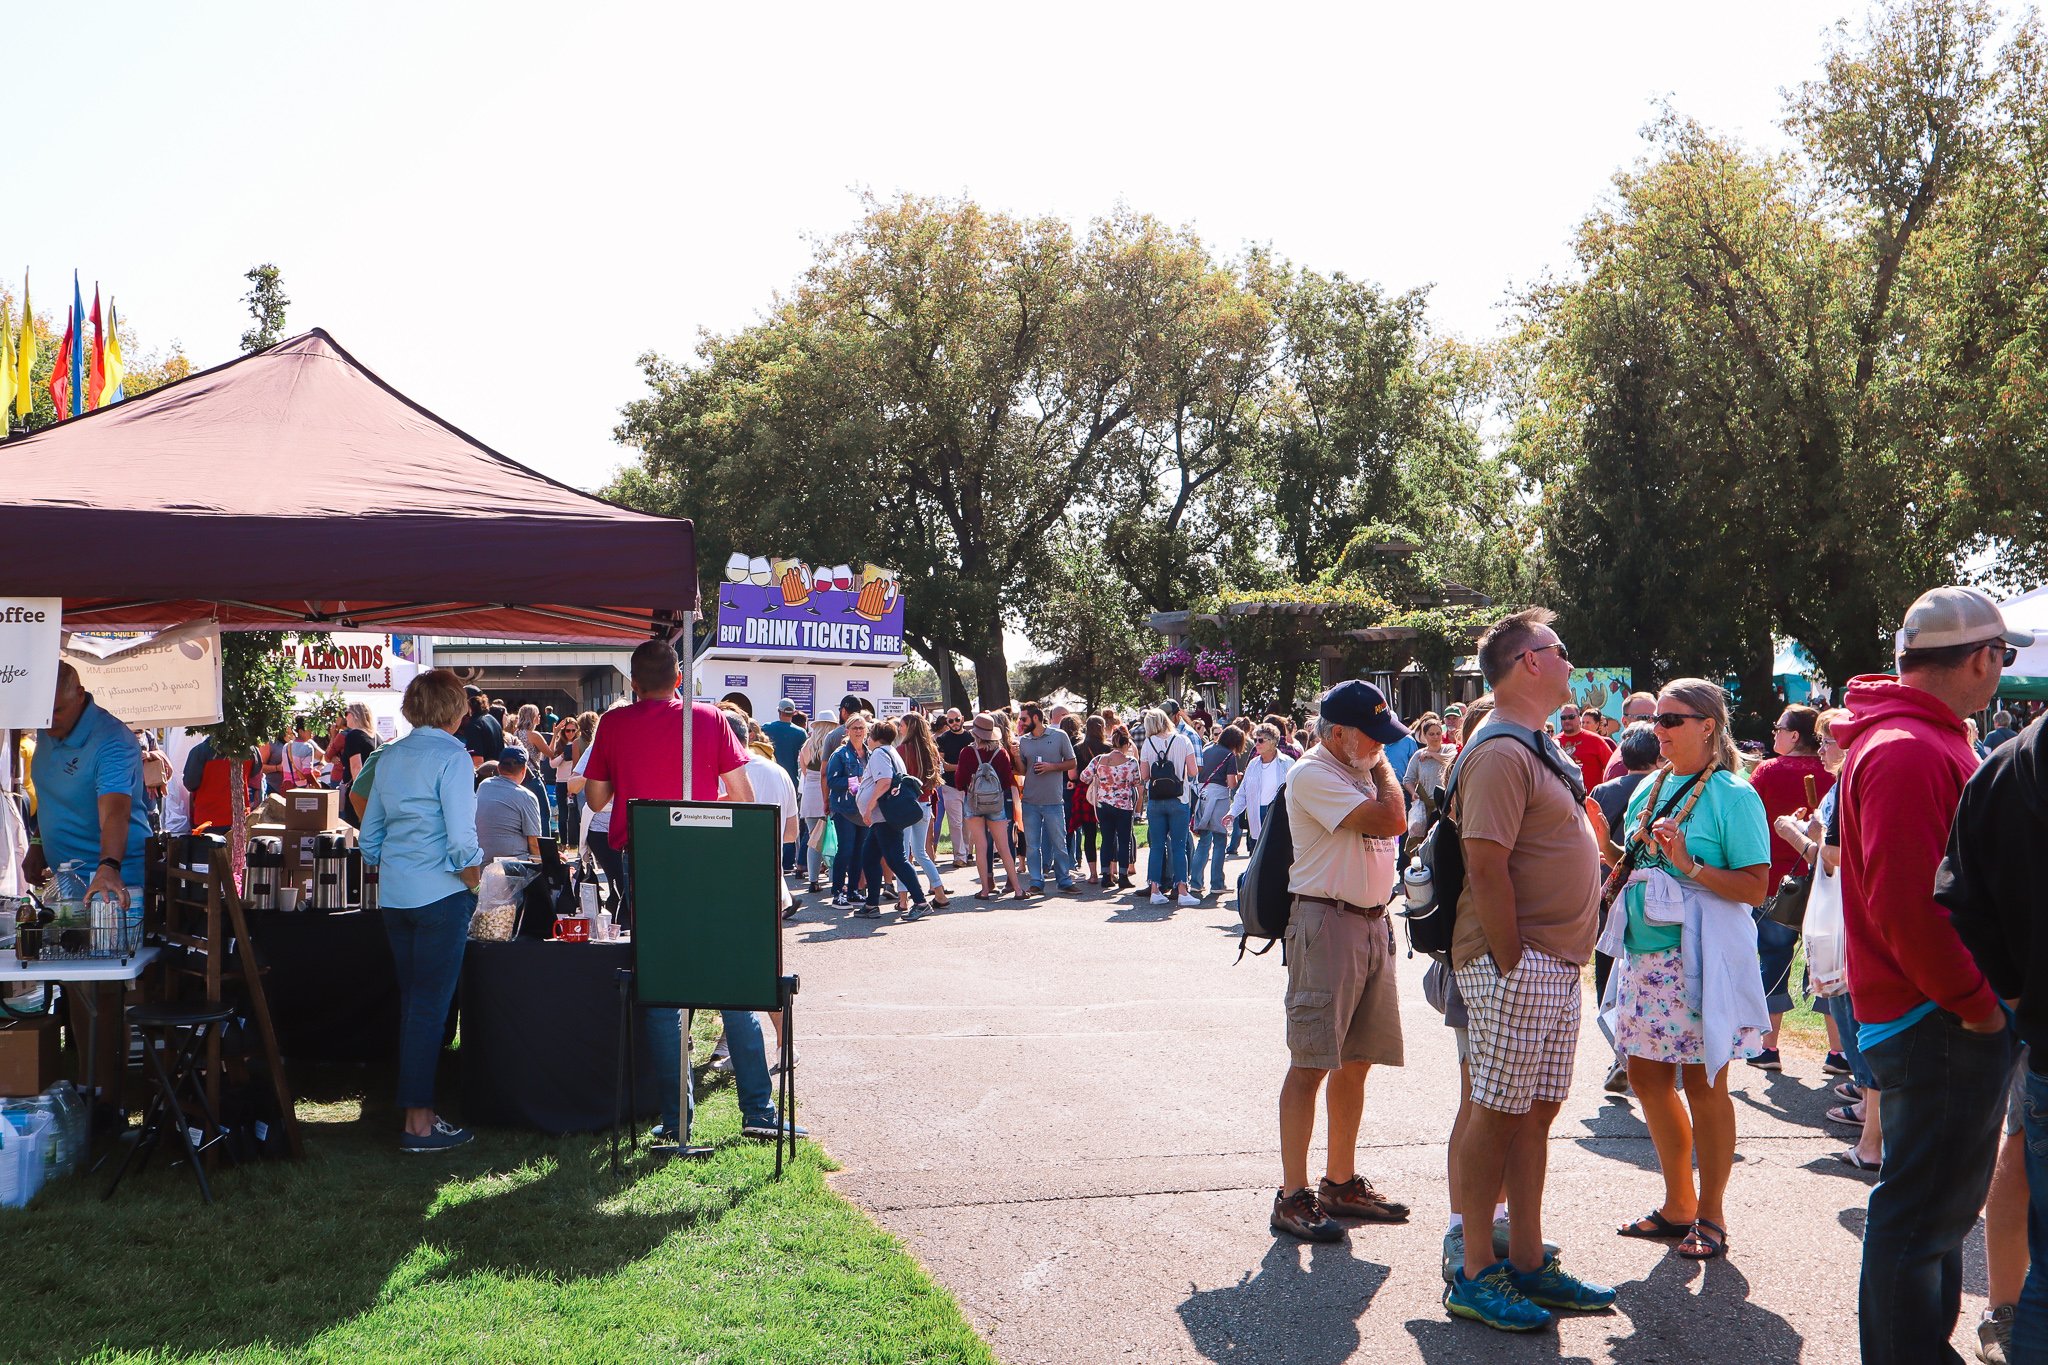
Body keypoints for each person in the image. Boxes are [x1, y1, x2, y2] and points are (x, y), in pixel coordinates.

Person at [1838, 585, 2025, 1365]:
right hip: (1934, 1017)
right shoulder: (1911, 748)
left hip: (1928, 1013)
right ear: (1981, 658)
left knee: (1934, 1215)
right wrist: (1979, 1007)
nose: (2002, 673)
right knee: (1920, 1218)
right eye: (2003, 657)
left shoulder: (1906, 738)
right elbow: (1908, 909)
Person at [1444, 609, 1615, 1331]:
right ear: (1527, 663)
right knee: (1498, 1109)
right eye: (1561, 650)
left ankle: (1527, 1258)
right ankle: (1475, 1268)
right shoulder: (1499, 751)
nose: (1572, 662)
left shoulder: (1535, 744)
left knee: (1536, 1112)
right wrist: (1513, 960)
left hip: (1553, 962)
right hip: (1518, 961)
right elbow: (1485, 861)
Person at [578, 641, 788, 1145]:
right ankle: (758, 1111)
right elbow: (743, 797)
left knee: (662, 987)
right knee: (732, 980)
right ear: (679, 679)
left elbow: (596, 797)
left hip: (647, 860)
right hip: (710, 859)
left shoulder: (614, 723)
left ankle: (675, 1122)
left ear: (633, 682)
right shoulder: (710, 719)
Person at [1604, 679, 1771, 1265]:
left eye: (1672, 719)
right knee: (1648, 1080)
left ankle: (1712, 1214)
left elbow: (1756, 886)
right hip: (1646, 958)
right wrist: (1604, 847)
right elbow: (1639, 865)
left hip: (1699, 959)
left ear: (1708, 724)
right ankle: (1678, 1204)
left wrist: (1690, 865)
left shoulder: (1733, 794)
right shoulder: (1651, 785)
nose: (1660, 730)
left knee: (1704, 1084)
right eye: (1657, 720)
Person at [1269, 681, 1412, 1245]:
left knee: (1357, 1061)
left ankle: (1340, 1181)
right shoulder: (1313, 772)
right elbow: (1390, 821)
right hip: (1326, 924)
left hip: (1371, 922)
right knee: (1311, 1063)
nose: (1381, 746)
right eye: (1371, 736)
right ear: (1335, 734)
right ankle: (1292, 1194)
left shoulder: (1356, 768)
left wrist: (1375, 765)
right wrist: (1384, 772)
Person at [1942, 704, 2046, 1365]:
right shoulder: (2007, 762)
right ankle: (2006, 1315)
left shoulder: (2009, 761)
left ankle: (2007, 1315)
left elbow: (1963, 897)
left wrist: (2018, 996)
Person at [358, 669, 484, 1152]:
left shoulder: (389, 756)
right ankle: (419, 1122)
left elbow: (369, 839)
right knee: (428, 1007)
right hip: (440, 895)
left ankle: (417, 1112)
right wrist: (475, 881)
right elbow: (460, 838)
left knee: (417, 1004)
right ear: (454, 708)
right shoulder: (450, 755)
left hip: (396, 896)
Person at [24, 663, 152, 1117]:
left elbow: (115, 810)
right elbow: (49, 795)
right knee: (80, 984)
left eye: (56, 710)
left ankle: (107, 1097)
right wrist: (38, 842)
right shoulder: (48, 730)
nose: (48, 719)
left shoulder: (112, 740)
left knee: (104, 987)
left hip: (115, 882)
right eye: (42, 711)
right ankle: (91, 1087)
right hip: (70, 880)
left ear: (81, 695)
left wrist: (108, 867)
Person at [1744, 703, 1835, 1071]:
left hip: (1776, 882)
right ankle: (1839, 1051)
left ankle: (1768, 1047)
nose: (1774, 734)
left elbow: (1746, 816)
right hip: (1824, 879)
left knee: (1773, 959)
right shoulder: (1833, 773)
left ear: (1794, 735)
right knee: (1826, 962)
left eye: (1778, 728)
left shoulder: (1767, 771)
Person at [1588, 721, 1660, 1008]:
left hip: (1609, 882)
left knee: (1606, 952)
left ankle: (1607, 1017)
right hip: (1647, 884)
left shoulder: (1602, 791)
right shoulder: (1661, 789)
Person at [856, 718, 931, 918]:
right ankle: (871, 904)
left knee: (897, 860)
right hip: (885, 817)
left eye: (869, 734)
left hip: (885, 817)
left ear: (874, 737)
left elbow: (885, 781)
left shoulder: (880, 753)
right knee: (869, 857)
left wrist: (868, 807)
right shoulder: (890, 752)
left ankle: (921, 901)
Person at [955, 714, 1024, 900]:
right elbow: (1006, 779)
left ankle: (985, 889)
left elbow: (959, 780)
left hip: (974, 803)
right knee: (1004, 847)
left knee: (981, 846)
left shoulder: (967, 753)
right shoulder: (1001, 753)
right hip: (996, 803)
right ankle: (1017, 889)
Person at [1137, 708, 1201, 908]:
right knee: (1179, 845)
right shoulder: (1183, 740)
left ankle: (1155, 889)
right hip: (1179, 798)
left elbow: (1145, 775)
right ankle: (1182, 889)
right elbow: (1192, 770)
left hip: (1156, 800)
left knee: (1156, 846)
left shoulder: (1148, 743)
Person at [1016, 703, 1077, 894]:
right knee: (1033, 846)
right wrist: (1014, 755)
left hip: (1054, 801)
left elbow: (1072, 762)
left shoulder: (1059, 736)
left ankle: (1064, 881)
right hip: (1030, 802)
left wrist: (1051, 767)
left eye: (1023, 718)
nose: (1020, 722)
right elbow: (1022, 770)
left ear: (1035, 718)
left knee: (1059, 843)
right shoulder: (1023, 741)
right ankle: (1036, 881)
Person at [895, 712, 951, 910]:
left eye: (901, 725)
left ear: (908, 727)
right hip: (925, 803)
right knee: (920, 853)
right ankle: (940, 892)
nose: (899, 729)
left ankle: (903, 899)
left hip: (907, 805)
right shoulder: (931, 750)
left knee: (903, 854)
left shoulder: (901, 750)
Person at [826, 713, 875, 909]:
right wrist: (854, 782)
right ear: (847, 731)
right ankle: (838, 891)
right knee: (845, 850)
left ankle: (853, 890)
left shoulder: (871, 754)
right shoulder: (839, 755)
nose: (858, 731)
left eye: (861, 728)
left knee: (859, 852)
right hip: (845, 809)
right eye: (854, 728)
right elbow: (832, 781)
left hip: (863, 810)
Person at [1084, 727, 1141, 890]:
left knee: (1107, 840)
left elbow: (1084, 776)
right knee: (1124, 840)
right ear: (1127, 744)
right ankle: (1123, 876)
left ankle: (1106, 875)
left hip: (1104, 804)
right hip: (1123, 805)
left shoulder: (1099, 759)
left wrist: (1101, 780)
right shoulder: (1131, 762)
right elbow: (1137, 782)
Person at [1190, 725, 1243, 898]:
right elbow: (1232, 783)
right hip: (1219, 798)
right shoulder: (1229, 755)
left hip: (1203, 796)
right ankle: (1217, 883)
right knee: (1220, 841)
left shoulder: (1207, 748)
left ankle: (1196, 883)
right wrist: (1238, 776)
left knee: (1204, 841)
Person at [474, 742, 545, 860]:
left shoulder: (483, 786)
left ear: (498, 768)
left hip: (481, 862)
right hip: (513, 867)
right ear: (524, 770)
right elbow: (534, 844)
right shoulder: (527, 796)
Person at [1229, 723, 1295, 847]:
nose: (1256, 744)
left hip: (1279, 814)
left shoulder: (1287, 763)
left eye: (1261, 740)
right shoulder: (1253, 764)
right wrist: (1232, 813)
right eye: (1255, 740)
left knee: (1277, 855)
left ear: (1273, 742)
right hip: (1256, 814)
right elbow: (1242, 793)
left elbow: (1296, 792)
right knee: (1256, 856)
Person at [763, 699, 807, 873]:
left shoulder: (767, 728)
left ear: (779, 711)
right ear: (793, 713)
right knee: (789, 819)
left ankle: (771, 857)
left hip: (770, 777)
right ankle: (787, 862)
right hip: (791, 781)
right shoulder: (800, 733)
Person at [797, 719, 833, 893]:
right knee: (833, 837)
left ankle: (813, 880)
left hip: (810, 794)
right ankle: (834, 878)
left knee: (814, 839)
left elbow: (804, 772)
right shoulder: (832, 746)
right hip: (827, 793)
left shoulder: (806, 747)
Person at [935, 709, 973, 869]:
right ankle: (959, 856)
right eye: (950, 721)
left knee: (969, 822)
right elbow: (942, 765)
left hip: (971, 786)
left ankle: (967, 852)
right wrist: (963, 767)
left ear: (962, 718)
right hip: (950, 785)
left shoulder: (971, 737)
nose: (954, 723)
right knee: (955, 823)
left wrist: (956, 767)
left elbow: (975, 764)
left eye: (957, 719)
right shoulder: (943, 739)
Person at [1072, 716, 1106, 885]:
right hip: (1105, 792)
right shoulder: (1108, 748)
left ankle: (1092, 874)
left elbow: (1075, 774)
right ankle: (1109, 871)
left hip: (1085, 792)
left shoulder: (1078, 748)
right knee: (1108, 833)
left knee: (1089, 834)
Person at [1552, 701, 1613, 793]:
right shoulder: (1553, 743)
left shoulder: (1595, 740)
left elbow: (1612, 769)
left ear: (1579, 718)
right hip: (1562, 801)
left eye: (1571, 717)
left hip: (1590, 802)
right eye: (1563, 718)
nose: (1567, 720)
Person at [1602, 694, 1659, 780]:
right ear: (1625, 722)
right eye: (1644, 718)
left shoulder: (1649, 754)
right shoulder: (1622, 766)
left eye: (1655, 718)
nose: (1651, 724)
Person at [551, 715, 583, 850]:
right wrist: (563, 755)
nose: (570, 733)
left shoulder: (579, 743)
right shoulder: (559, 743)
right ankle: (563, 842)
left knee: (577, 814)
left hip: (575, 782)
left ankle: (577, 843)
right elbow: (552, 764)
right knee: (563, 815)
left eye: (573, 730)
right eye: (567, 731)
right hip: (561, 782)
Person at [456, 686, 504, 770]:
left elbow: (477, 761)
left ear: (468, 703)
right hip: (497, 773)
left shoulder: (474, 725)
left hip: (485, 777)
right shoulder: (491, 719)